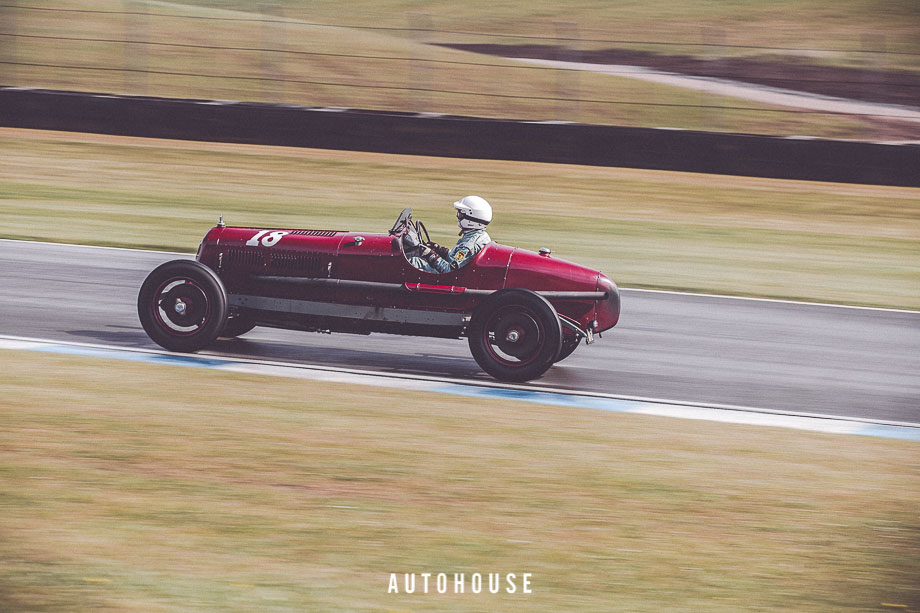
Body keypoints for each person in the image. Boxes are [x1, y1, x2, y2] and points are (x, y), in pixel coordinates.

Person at [409, 196, 492, 273]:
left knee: (414, 262)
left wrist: (431, 255)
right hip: (461, 274)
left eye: (460, 214)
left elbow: (450, 271)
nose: (457, 216)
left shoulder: (469, 245)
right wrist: (440, 250)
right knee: (417, 260)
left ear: (471, 219)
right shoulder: (479, 235)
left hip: (452, 280)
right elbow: (456, 260)